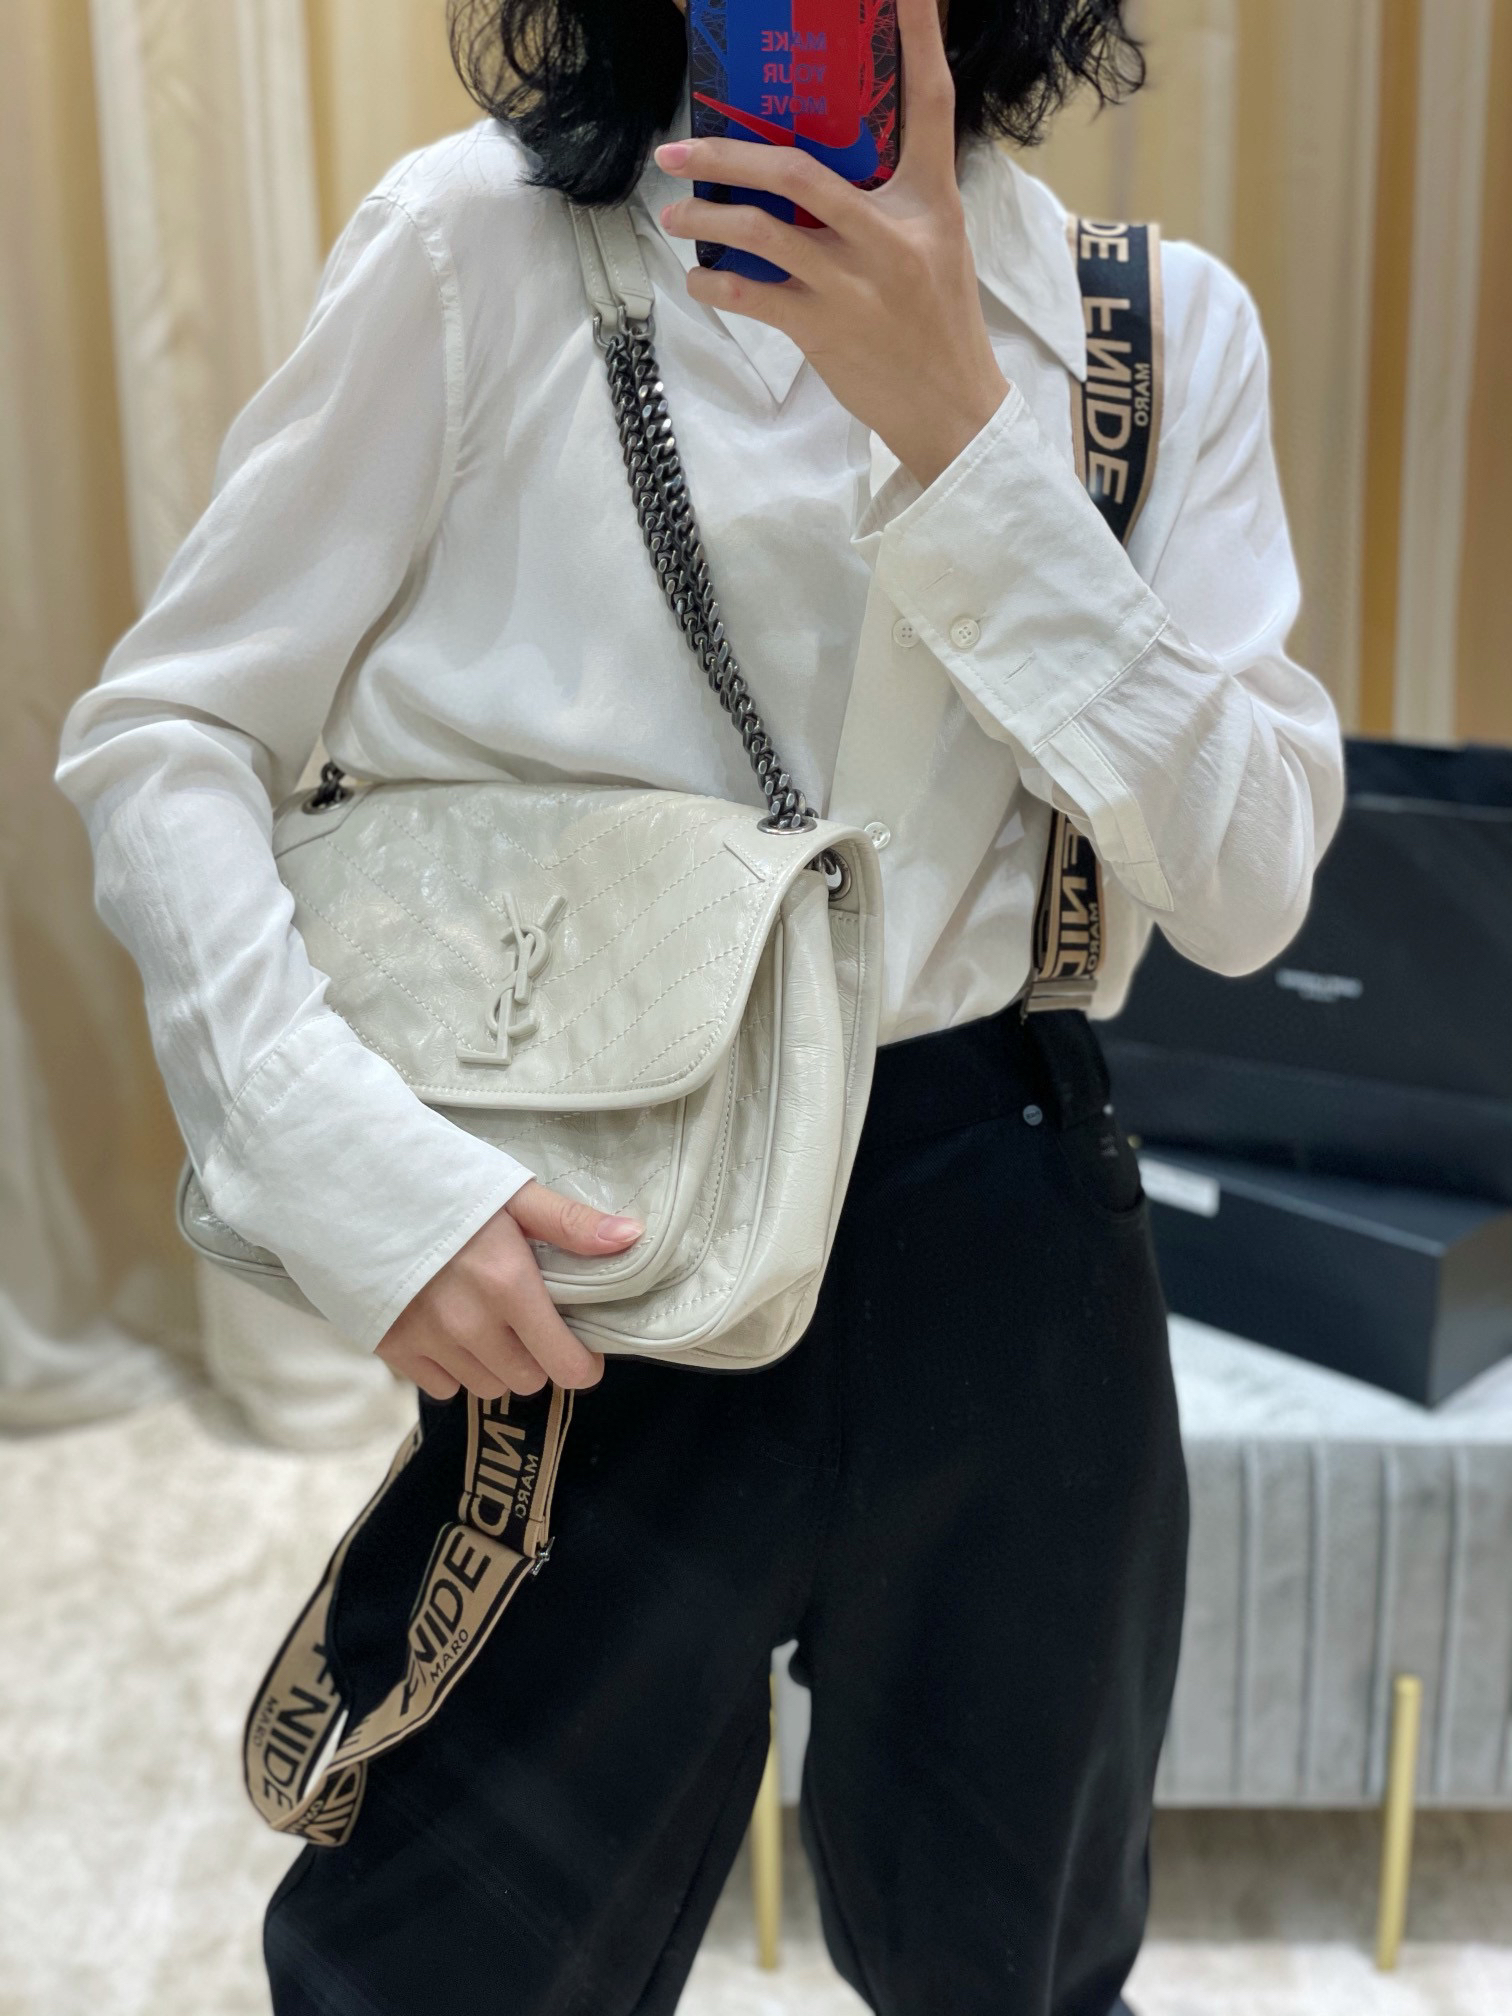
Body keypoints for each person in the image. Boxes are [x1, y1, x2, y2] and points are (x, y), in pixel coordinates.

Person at [54, 0, 1344, 2010]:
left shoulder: (1151, 329)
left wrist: (966, 436)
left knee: (1024, 1966)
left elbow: (1254, 888)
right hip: (593, 1228)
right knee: (447, 1963)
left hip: (1008, 1204)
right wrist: (343, 1166)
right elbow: (167, 734)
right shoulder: (473, 248)